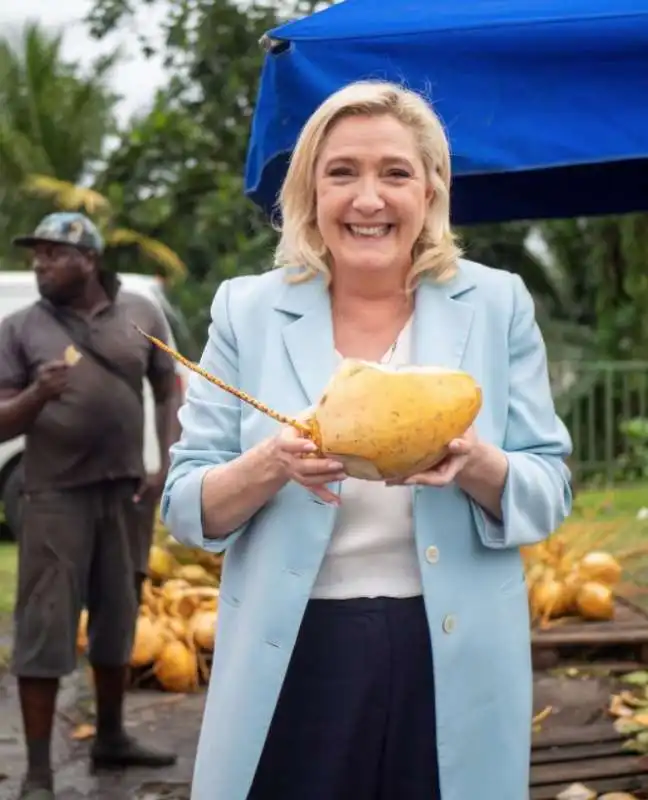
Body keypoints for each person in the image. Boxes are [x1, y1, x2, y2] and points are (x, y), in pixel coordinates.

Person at [162, 80, 573, 800]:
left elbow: (548, 490)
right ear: (309, 191)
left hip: (450, 651)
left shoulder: (498, 302)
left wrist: (477, 463)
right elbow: (186, 504)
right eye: (342, 172)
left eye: (395, 172)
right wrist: (268, 466)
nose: (369, 199)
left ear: (431, 190)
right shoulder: (246, 309)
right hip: (294, 650)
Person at [0, 212, 180, 800]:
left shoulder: (141, 315)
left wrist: (166, 460)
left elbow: (166, 384)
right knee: (44, 628)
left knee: (117, 620)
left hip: (124, 494)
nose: (41, 263)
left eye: (54, 254)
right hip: (55, 498)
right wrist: (35, 396)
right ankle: (37, 773)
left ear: (90, 260)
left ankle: (110, 738)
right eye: (38, 255)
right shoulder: (20, 328)